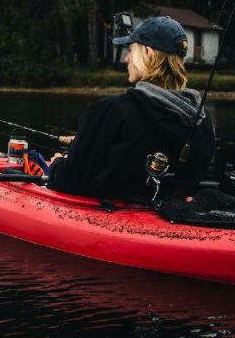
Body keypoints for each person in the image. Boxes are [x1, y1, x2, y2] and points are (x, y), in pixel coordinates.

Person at [47, 16, 215, 200]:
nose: (127, 58)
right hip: (171, 215)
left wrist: (57, 165)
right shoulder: (202, 121)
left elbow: (70, 181)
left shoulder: (112, 111)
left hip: (113, 220)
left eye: (130, 50)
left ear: (148, 54)